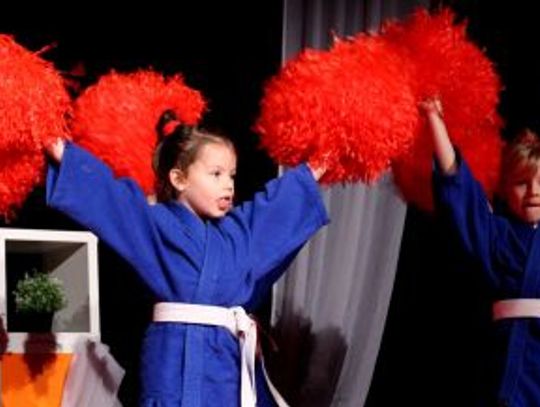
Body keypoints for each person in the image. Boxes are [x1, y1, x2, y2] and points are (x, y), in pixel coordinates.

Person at [45, 111, 329, 407]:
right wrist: (57, 148)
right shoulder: (154, 224)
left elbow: (276, 208)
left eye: (232, 175)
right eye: (216, 174)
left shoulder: (238, 232)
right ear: (179, 179)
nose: (228, 185)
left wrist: (322, 162)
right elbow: (111, 198)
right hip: (173, 363)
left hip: (226, 364)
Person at [423, 96, 540, 406]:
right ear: (504, 188)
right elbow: (460, 192)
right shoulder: (498, 235)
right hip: (506, 374)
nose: (534, 192)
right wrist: (434, 117)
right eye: (522, 183)